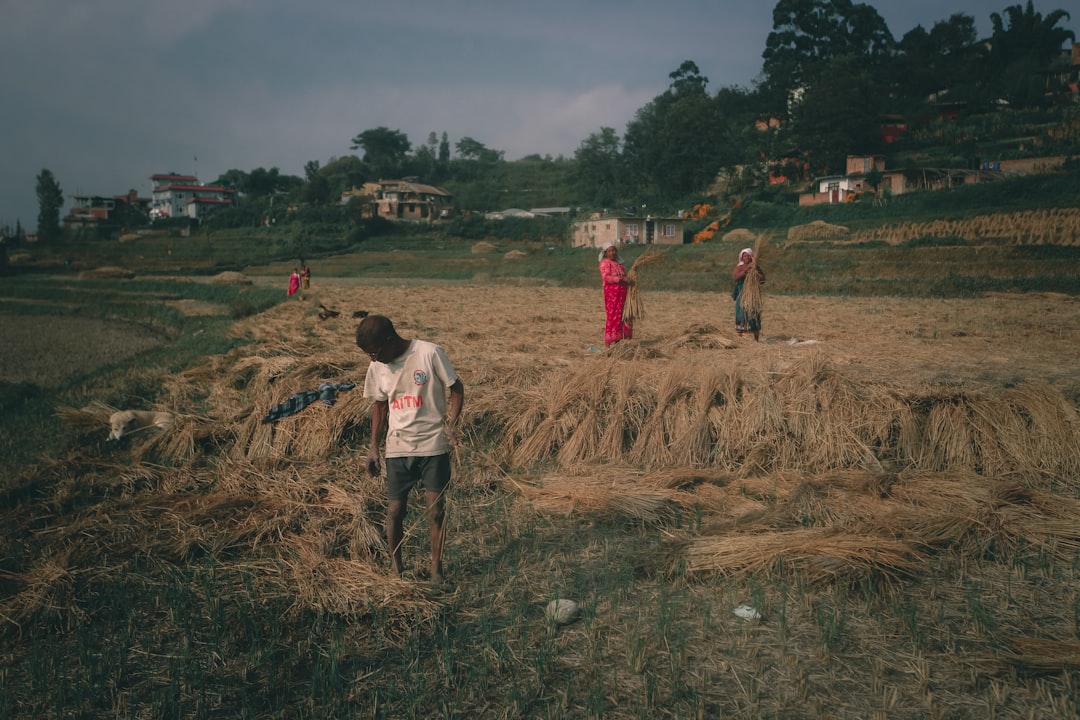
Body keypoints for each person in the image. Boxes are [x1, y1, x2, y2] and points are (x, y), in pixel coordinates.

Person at [356, 314, 464, 584]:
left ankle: (436, 570)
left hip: (432, 446)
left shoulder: (429, 353)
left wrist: (452, 424)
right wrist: (373, 448)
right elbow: (380, 406)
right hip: (398, 448)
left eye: (374, 353)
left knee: (436, 511)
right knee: (394, 511)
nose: (372, 360)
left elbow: (457, 388)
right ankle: (397, 569)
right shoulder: (377, 367)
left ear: (390, 341)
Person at [599, 242, 633, 346]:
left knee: (622, 316)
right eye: (609, 251)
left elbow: (625, 276)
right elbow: (606, 278)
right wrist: (621, 279)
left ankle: (618, 340)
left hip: (623, 293)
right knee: (613, 315)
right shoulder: (605, 263)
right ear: (605, 253)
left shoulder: (620, 264)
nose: (612, 253)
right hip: (612, 294)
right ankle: (609, 342)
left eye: (613, 250)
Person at [732, 247, 765, 341]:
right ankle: (741, 338)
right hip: (742, 295)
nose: (746, 258)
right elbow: (735, 277)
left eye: (748, 256)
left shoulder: (756, 267)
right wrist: (745, 271)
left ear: (751, 257)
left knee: (754, 314)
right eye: (744, 256)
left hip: (753, 296)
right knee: (741, 314)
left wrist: (756, 273)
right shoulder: (740, 267)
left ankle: (756, 338)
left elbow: (763, 280)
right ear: (741, 258)